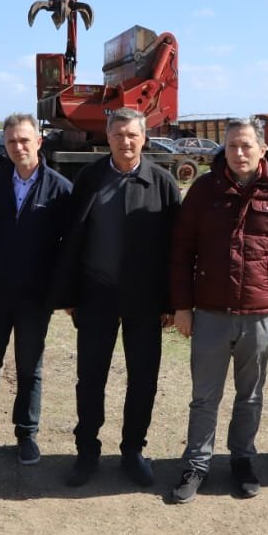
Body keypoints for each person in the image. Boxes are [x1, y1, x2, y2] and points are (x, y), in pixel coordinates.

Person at [168, 118, 268, 503]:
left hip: (260, 315)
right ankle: (197, 463)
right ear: (223, 150)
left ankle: (242, 460)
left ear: (263, 150)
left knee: (250, 396)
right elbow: (181, 252)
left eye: (247, 146)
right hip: (210, 312)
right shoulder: (204, 190)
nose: (240, 153)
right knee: (204, 397)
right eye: (232, 147)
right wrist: (182, 306)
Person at [57, 107, 181, 489]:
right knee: (90, 378)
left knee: (142, 379)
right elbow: (71, 239)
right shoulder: (89, 179)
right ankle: (87, 452)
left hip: (145, 300)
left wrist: (171, 302)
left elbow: (175, 250)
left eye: (132, 135)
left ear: (144, 138)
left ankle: (132, 451)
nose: (125, 142)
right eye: (118, 135)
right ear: (107, 138)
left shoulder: (162, 183)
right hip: (96, 295)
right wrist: (69, 293)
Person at [0, 114, 73, 466]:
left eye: (24, 140)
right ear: (5, 146)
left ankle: (26, 436)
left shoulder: (60, 189)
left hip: (35, 296)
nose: (18, 147)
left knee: (29, 368)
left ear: (39, 141)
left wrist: (63, 294)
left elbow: (69, 248)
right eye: (11, 142)